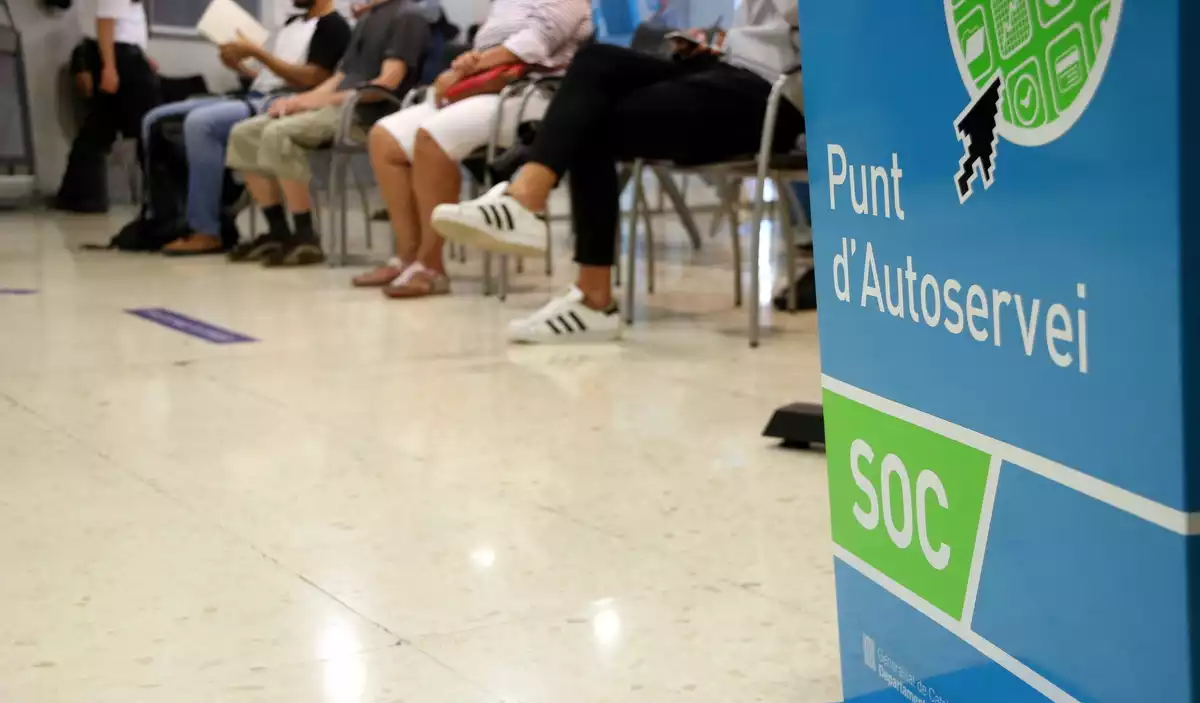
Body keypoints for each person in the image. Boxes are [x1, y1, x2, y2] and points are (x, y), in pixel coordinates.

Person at [432, 0, 805, 343]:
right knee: (596, 61)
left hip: (768, 91)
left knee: (589, 121)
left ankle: (579, 278)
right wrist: (716, 44)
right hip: (727, 68)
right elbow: (764, 34)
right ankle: (527, 202)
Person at [351, 0, 592, 298]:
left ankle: (431, 266)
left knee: (432, 136)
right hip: (486, 88)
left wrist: (473, 64)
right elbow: (487, 46)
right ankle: (407, 256)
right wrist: (465, 66)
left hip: (531, 96)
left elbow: (535, 42)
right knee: (384, 137)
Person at [225, 0, 433, 267]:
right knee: (245, 133)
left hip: (364, 114)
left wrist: (313, 102)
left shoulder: (408, 17)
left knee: (278, 134)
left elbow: (387, 82)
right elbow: (339, 77)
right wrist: (297, 101)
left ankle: (305, 236)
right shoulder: (368, 19)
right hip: (340, 106)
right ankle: (278, 233)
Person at [140, 0, 352, 256]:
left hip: (285, 100)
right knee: (154, 118)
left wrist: (259, 53)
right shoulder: (290, 24)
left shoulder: (334, 27)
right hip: (256, 94)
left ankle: (206, 229)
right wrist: (240, 66)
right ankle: (161, 218)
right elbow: (270, 76)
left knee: (201, 124)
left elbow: (312, 79)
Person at [53, 0, 158, 213]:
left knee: (100, 126)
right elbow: (105, 21)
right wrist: (109, 67)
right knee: (150, 126)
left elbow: (122, 23)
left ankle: (79, 195)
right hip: (118, 55)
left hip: (117, 52)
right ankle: (162, 196)